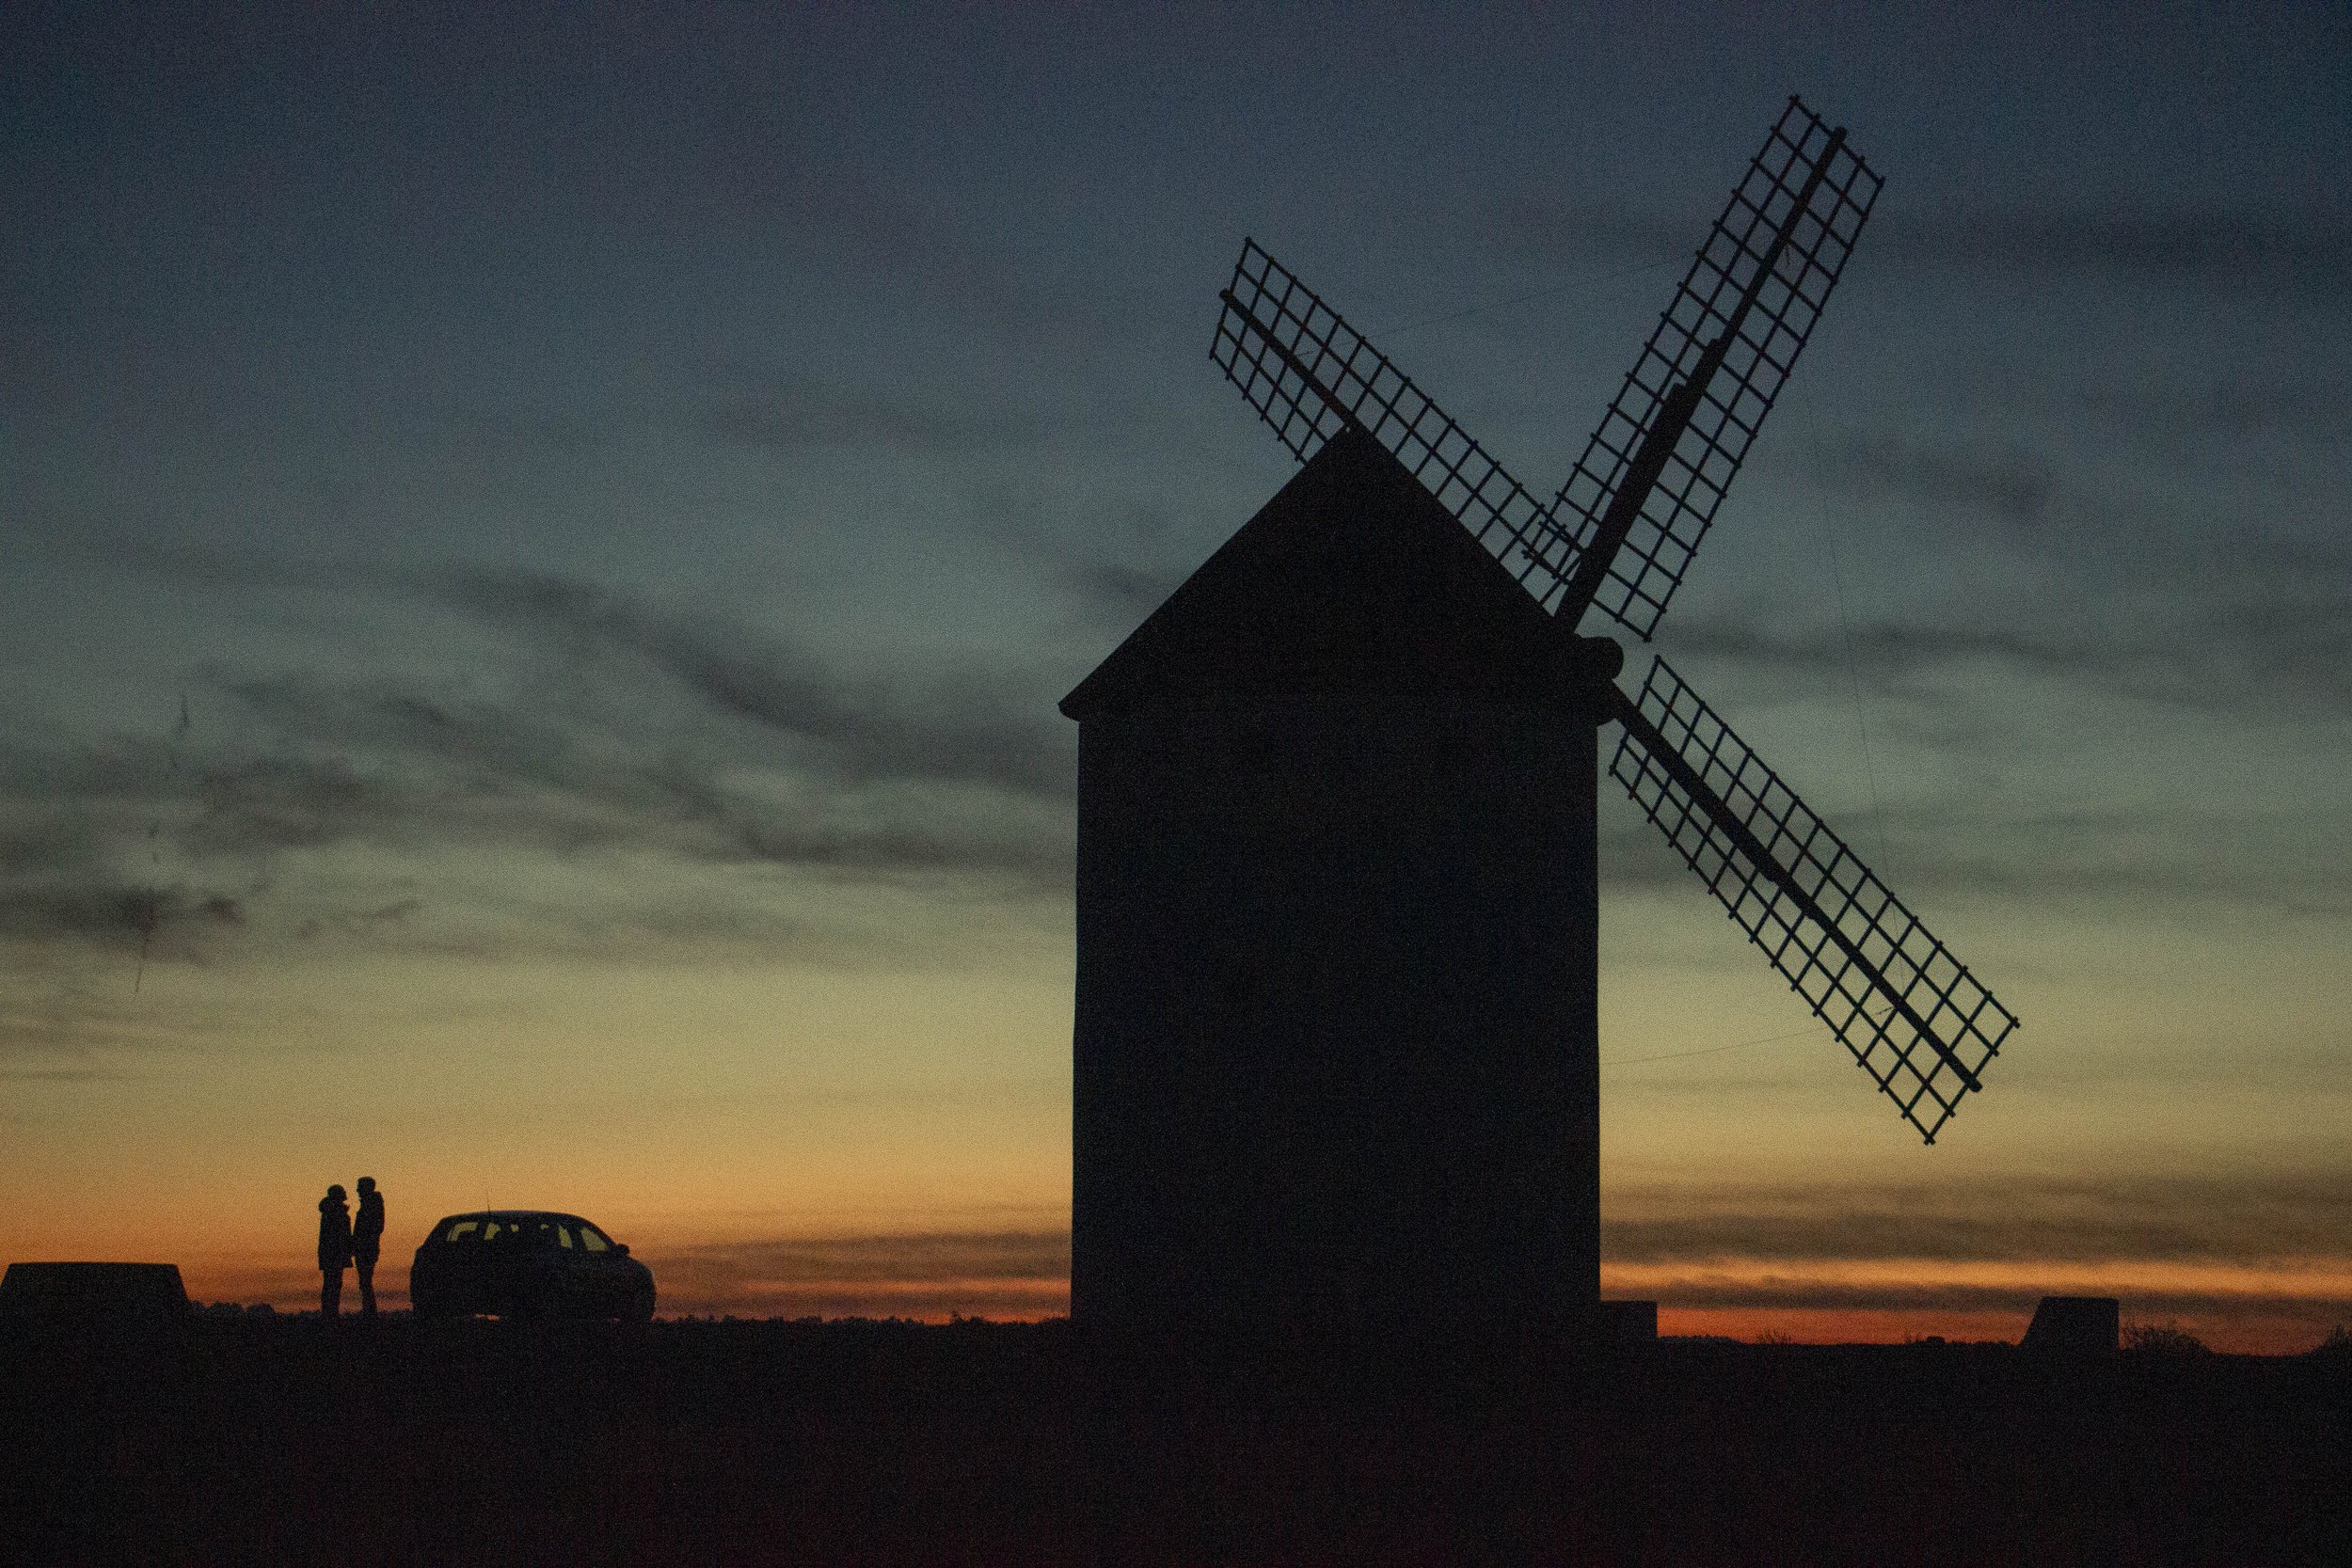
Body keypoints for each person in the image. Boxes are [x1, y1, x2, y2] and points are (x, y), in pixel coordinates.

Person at [317, 1183, 352, 1319]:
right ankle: (331, 1314)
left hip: (331, 1254)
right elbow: (341, 1236)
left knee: (330, 1284)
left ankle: (329, 1313)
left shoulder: (330, 1213)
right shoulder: (336, 1214)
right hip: (335, 1254)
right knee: (333, 1285)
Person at [352, 1177, 385, 1318]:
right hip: (365, 1248)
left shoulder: (372, 1205)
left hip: (367, 1249)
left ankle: (369, 1313)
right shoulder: (370, 1204)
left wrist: (361, 1241)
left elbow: (376, 1227)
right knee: (365, 1282)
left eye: (360, 1186)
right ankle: (369, 1312)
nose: (357, 1190)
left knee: (365, 1282)